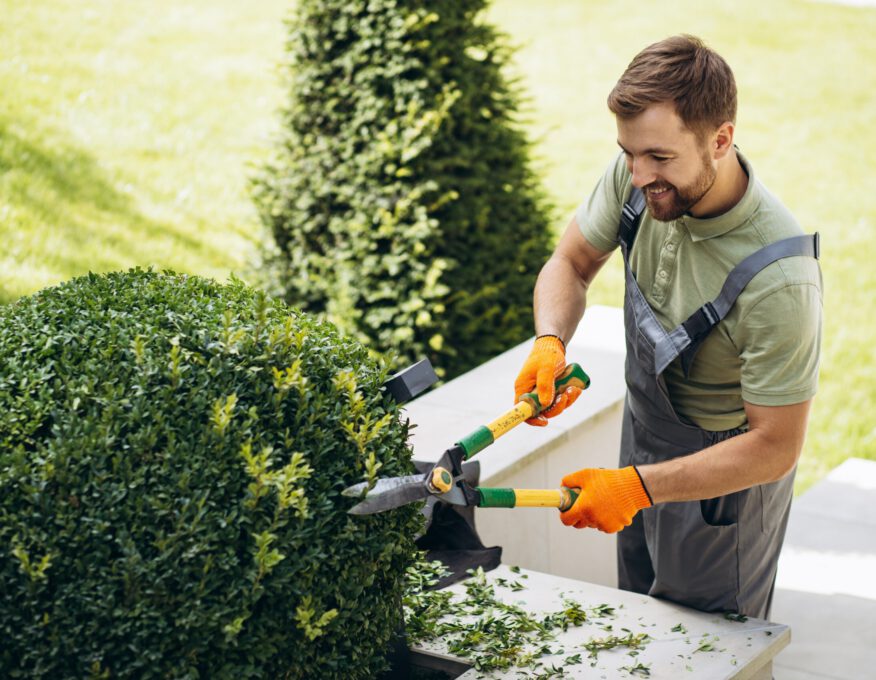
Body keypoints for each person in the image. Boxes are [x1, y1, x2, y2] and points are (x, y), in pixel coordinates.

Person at [513, 34, 822, 619]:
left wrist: (638, 486)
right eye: (629, 154)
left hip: (723, 485)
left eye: (658, 157)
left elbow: (776, 447)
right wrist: (550, 340)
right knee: (642, 624)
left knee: (705, 651)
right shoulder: (641, 177)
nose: (637, 175)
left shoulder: (779, 278)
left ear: (721, 140)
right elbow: (572, 263)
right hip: (644, 437)